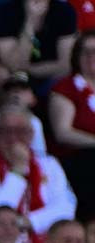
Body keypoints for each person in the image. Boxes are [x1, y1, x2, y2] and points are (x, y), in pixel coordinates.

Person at [0, 104, 77, 243]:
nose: (13, 138)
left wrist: (29, 222)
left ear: (31, 135)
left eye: (20, 132)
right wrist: (17, 171)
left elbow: (66, 208)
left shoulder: (49, 164)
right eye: (5, 131)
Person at [48, 30, 95, 217]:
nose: (92, 56)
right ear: (77, 56)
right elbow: (63, 132)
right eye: (86, 51)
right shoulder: (66, 87)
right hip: (80, 160)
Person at [0, 0, 76, 93]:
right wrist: (30, 22)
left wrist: (28, 70)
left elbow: (65, 65)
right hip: (16, 76)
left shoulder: (64, 11)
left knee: (67, 77)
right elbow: (15, 66)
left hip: (51, 73)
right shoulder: (4, 13)